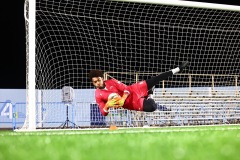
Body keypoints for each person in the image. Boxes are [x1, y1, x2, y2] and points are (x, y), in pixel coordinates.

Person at [89, 61, 189, 116]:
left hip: (133, 90)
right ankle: (150, 94)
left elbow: (126, 88)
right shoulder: (98, 95)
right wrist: (107, 106)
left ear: (102, 78)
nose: (97, 83)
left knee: (155, 79)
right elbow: (103, 112)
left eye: (98, 80)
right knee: (152, 107)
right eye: (95, 82)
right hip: (132, 103)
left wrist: (122, 98)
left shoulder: (112, 82)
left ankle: (178, 69)